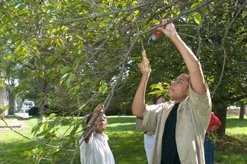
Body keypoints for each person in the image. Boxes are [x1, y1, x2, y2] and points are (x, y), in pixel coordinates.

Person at [132, 20, 212, 164]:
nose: (172, 83)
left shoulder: (198, 108)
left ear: (190, 91)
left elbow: (195, 68)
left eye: (180, 81)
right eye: (174, 79)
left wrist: (173, 35)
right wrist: (145, 76)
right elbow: (138, 111)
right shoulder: (165, 109)